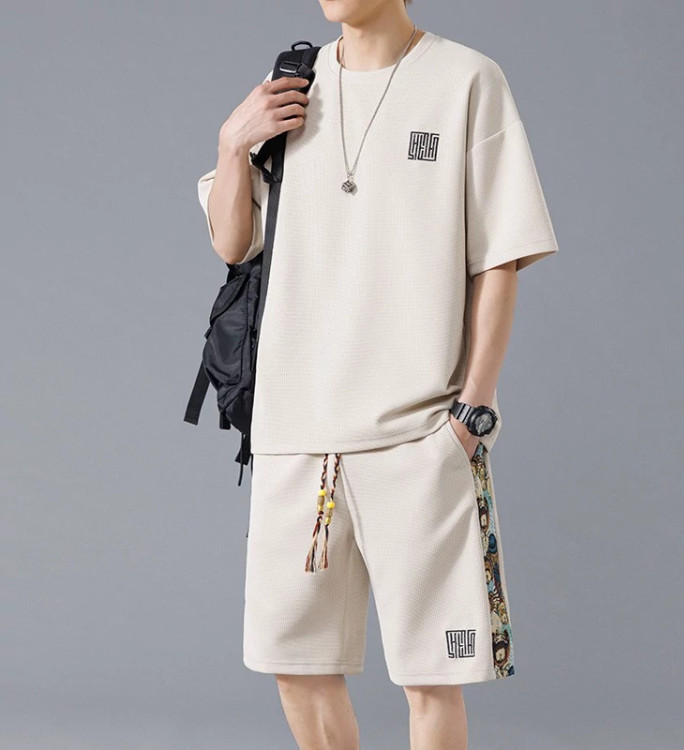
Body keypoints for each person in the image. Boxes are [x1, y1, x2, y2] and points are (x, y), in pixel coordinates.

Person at [196, 1, 559, 747]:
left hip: (418, 437)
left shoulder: (466, 80)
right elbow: (234, 244)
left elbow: (498, 259)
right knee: (296, 667)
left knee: (432, 678)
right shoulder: (292, 83)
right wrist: (233, 145)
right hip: (295, 436)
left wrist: (472, 414)